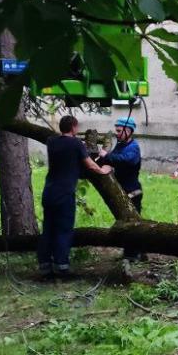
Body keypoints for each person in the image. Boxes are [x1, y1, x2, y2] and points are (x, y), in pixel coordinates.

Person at [38, 115, 112, 279]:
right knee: (64, 229)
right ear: (73, 127)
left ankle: (45, 266)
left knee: (48, 229)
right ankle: (62, 266)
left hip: (49, 191)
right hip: (64, 194)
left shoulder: (52, 142)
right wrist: (103, 170)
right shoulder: (76, 144)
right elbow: (89, 164)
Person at [99, 116, 143, 261]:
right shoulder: (120, 145)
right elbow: (112, 159)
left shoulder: (133, 148)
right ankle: (134, 252)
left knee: (132, 224)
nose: (117, 133)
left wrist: (107, 157)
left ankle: (133, 254)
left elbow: (125, 160)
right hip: (122, 190)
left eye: (119, 131)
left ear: (128, 131)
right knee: (125, 223)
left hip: (133, 191)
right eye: (116, 130)